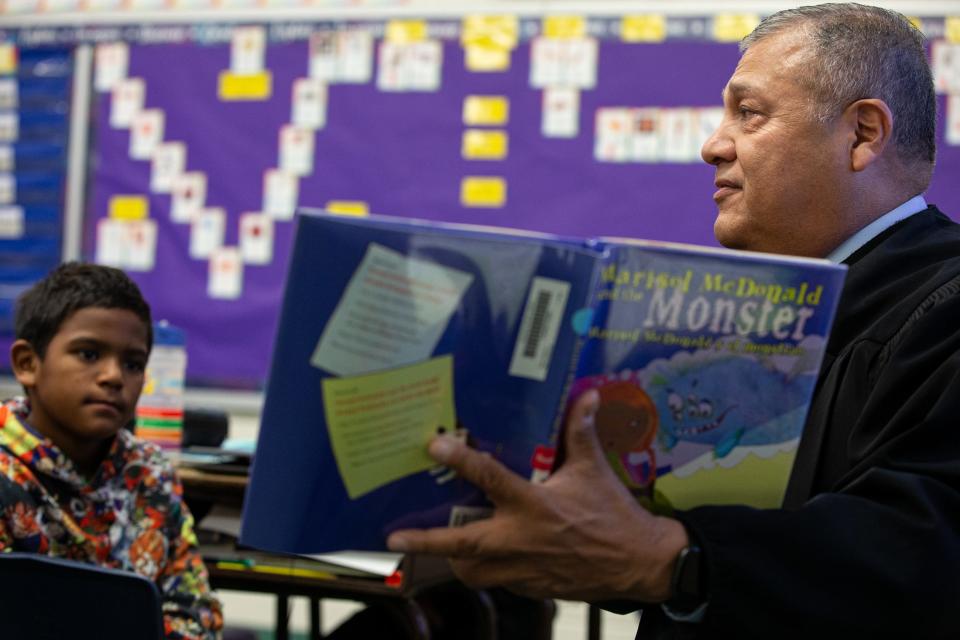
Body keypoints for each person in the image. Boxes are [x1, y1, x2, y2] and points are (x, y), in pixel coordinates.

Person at [385, 4, 960, 638]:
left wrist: (676, 558)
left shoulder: (944, 308)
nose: (712, 144)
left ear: (862, 135)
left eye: (749, 113)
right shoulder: (748, 314)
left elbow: (928, 548)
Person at [0, 263, 223, 639]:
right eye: (88, 354)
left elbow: (197, 614)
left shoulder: (150, 473)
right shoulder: (5, 474)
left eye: (133, 364)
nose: (114, 376)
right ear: (28, 364)